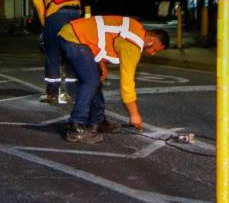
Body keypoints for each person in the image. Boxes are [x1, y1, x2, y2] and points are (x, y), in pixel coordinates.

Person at [58, 15, 169, 144]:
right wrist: (134, 114)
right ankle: (76, 128)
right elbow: (127, 82)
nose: (152, 54)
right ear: (150, 40)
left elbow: (105, 36)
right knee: (90, 81)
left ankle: (97, 120)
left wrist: (101, 63)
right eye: (154, 49)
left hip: (75, 35)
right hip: (75, 39)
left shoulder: (136, 28)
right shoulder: (133, 44)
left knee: (95, 80)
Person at [26, 0, 81, 105]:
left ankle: (52, 94)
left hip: (56, 12)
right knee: (71, 52)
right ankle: (71, 93)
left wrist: (45, 25)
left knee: (53, 53)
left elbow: (38, 3)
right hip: (76, 10)